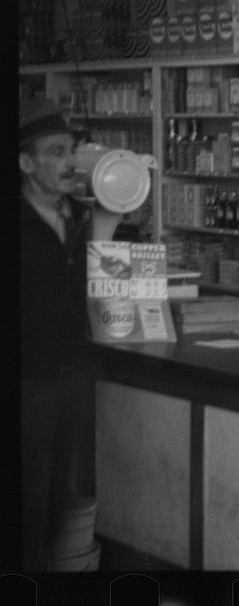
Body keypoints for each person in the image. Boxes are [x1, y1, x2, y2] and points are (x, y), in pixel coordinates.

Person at [18, 99, 92, 571]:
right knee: (27, 497)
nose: (69, 163)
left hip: (71, 378)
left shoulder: (81, 216)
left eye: (72, 152)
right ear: (26, 163)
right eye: (56, 152)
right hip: (26, 381)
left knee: (59, 498)